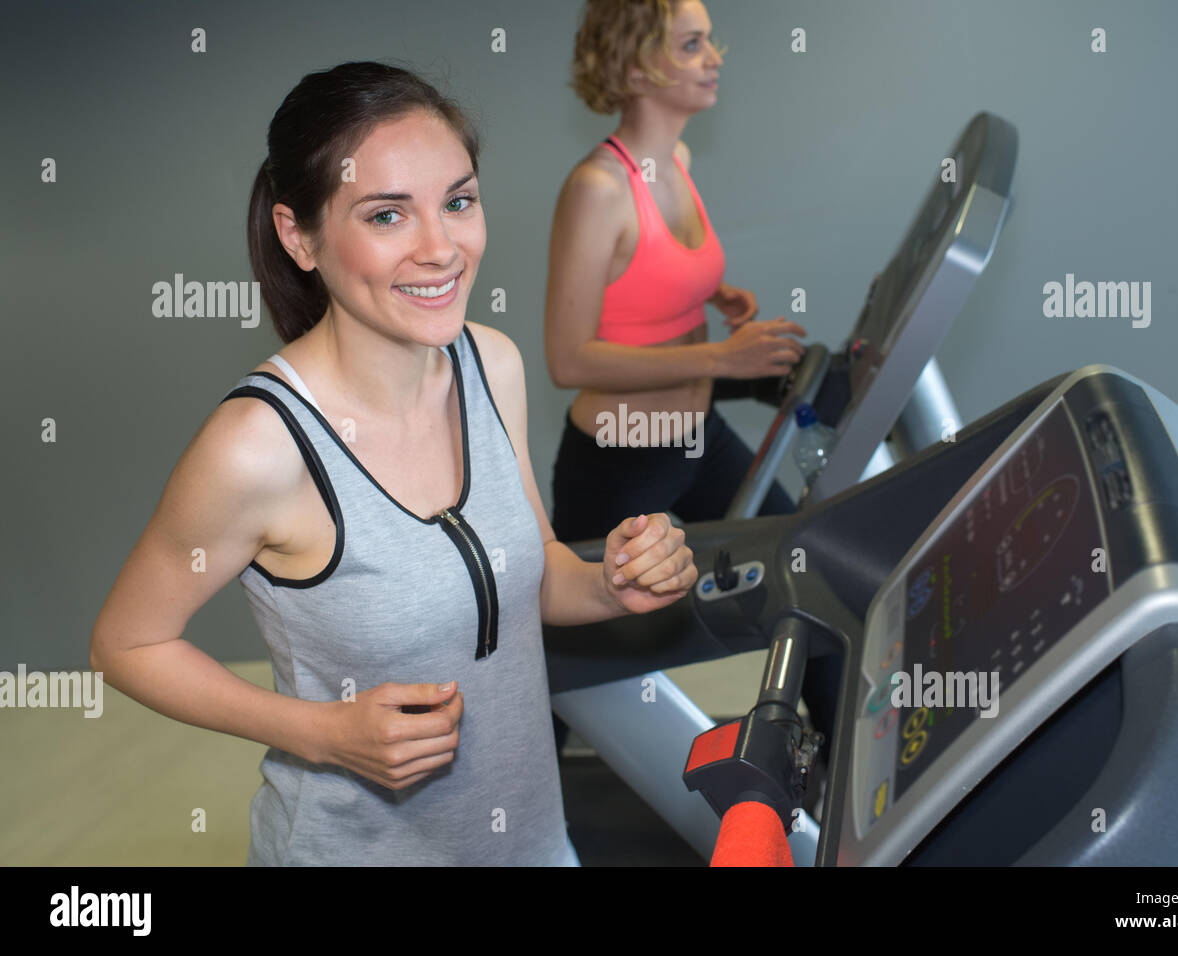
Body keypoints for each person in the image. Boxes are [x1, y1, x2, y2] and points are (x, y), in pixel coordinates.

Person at [89, 61, 698, 866]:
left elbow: (531, 573)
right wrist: (325, 733)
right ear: (298, 236)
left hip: (530, 842)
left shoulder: (492, 364)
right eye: (387, 216)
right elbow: (126, 646)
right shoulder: (259, 446)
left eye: (458, 200)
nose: (441, 248)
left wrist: (612, 586)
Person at [544, 0, 841, 778]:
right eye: (692, 43)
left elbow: (650, 283)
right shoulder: (596, 189)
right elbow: (568, 357)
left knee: (810, 583)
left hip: (694, 437)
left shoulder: (675, 164)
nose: (715, 55)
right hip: (621, 456)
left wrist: (715, 300)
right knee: (559, 662)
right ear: (640, 66)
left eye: (710, 39)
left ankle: (857, 786)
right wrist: (724, 361)